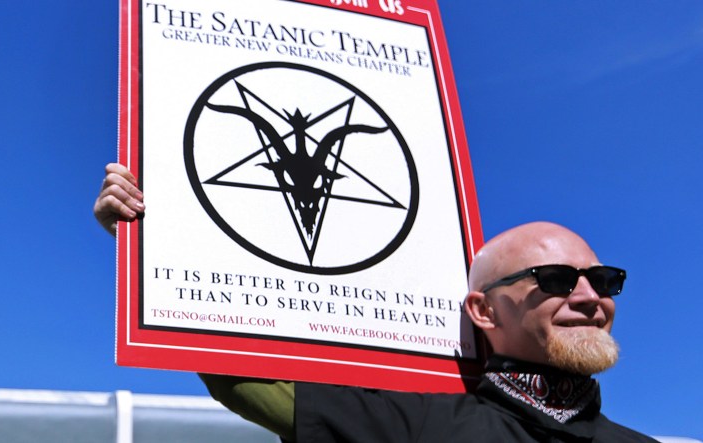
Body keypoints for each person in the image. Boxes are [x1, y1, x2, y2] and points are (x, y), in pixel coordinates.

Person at [95, 163, 658, 442]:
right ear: (483, 311)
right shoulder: (415, 426)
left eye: (603, 281)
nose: (589, 297)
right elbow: (249, 384)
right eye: (558, 279)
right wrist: (150, 243)